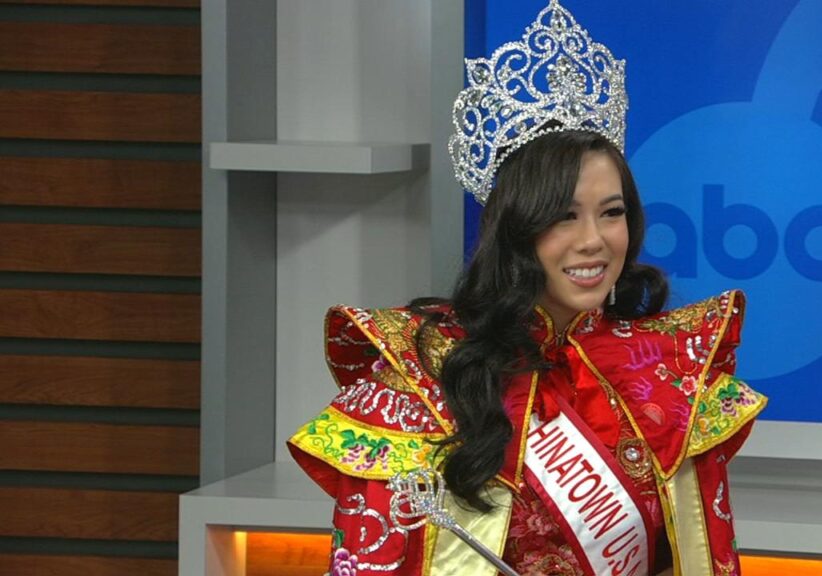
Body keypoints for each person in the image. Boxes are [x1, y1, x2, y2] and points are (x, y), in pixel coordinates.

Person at [287, 2, 766, 575]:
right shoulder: (422, 377)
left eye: (610, 213)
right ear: (515, 228)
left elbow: (695, 558)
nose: (593, 241)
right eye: (563, 216)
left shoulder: (668, 375)